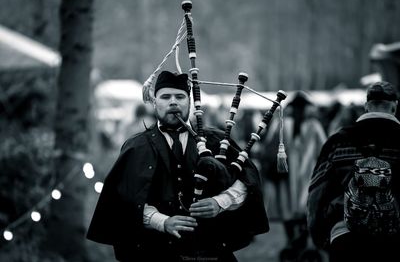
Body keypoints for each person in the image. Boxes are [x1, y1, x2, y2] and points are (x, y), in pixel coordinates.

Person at [86, 70, 269, 262]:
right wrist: (162, 222)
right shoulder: (136, 147)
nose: (173, 102)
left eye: (180, 96)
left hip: (211, 252)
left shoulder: (215, 140)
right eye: (165, 96)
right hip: (153, 253)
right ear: (154, 102)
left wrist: (221, 202)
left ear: (189, 102)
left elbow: (247, 180)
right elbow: (124, 199)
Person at [307, 81, 400, 262]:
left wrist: (319, 236)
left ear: (366, 107)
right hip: (394, 237)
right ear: (395, 107)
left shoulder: (337, 141)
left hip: (345, 236)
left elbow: (317, 192)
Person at [260, 91, 327, 261]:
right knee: (305, 211)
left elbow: (267, 146)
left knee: (288, 211)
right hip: (308, 177)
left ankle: (292, 243)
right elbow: (324, 150)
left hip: (284, 177)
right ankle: (302, 243)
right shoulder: (314, 126)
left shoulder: (281, 124)